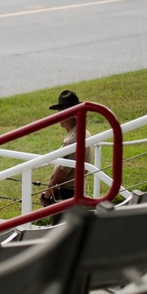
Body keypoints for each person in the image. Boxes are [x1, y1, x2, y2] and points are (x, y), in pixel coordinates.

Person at [41, 90, 93, 222]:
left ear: (66, 114)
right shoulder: (84, 132)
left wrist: (46, 196)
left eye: (59, 111)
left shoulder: (72, 141)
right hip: (77, 192)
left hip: (66, 196)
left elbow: (58, 175)